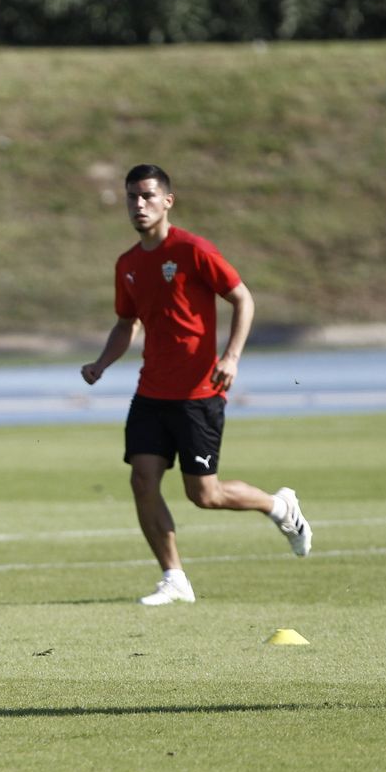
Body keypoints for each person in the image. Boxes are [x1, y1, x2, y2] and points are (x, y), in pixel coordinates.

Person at [80, 164, 311, 606]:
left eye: (148, 195)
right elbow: (126, 323)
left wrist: (231, 357)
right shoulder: (128, 264)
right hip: (151, 393)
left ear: (168, 201)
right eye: (132, 196)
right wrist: (102, 363)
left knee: (205, 495)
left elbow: (242, 298)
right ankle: (174, 578)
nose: (139, 204)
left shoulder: (193, 250)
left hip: (198, 394)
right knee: (142, 481)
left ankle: (279, 506)